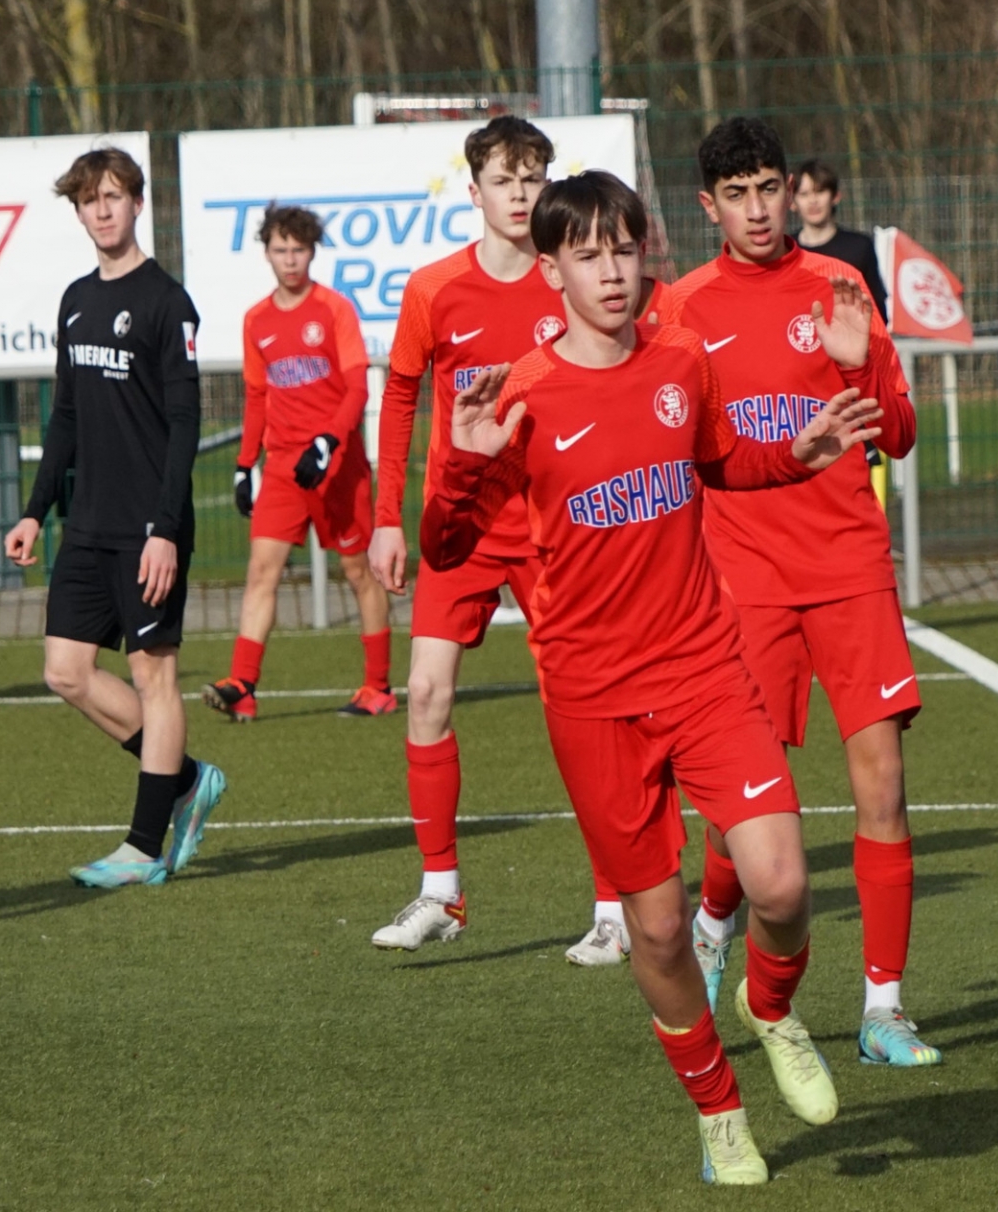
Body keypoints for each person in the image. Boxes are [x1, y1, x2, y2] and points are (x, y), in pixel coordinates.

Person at [422, 170, 877, 1183]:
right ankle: (718, 1112)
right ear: (551, 271)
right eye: (587, 254)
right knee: (661, 928)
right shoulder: (522, 399)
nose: (612, 270)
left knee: (785, 882)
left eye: (624, 248)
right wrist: (459, 462)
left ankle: (770, 1005)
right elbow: (447, 544)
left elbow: (721, 460)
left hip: (705, 668)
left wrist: (794, 453)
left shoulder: (680, 358)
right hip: (592, 699)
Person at [669, 118, 938, 1068]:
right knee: (742, 808)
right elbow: (677, 451)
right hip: (744, 581)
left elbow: (900, 433)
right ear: (709, 206)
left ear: (794, 192)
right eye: (736, 194)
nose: (757, 209)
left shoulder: (842, 288)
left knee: (883, 786)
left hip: (851, 569)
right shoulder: (684, 309)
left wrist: (861, 356)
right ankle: (711, 930)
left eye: (769, 189)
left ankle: (883, 1011)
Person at [366, 116, 667, 964]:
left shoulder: (564, 281)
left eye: (533, 179)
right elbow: (397, 400)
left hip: (551, 531)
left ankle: (614, 902)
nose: (521, 194)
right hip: (459, 529)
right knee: (424, 696)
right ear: (475, 193)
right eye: (504, 181)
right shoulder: (434, 290)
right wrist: (388, 515)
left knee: (585, 713)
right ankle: (441, 893)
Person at [2, 147, 226, 887]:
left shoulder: (167, 301)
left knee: (151, 678)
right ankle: (188, 779)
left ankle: (143, 847)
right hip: (87, 524)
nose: (102, 210)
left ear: (138, 205)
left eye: (114, 196)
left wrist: (166, 528)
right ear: (78, 212)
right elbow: (64, 415)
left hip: (147, 528)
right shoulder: (74, 300)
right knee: (64, 671)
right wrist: (35, 510)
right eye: (89, 200)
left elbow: (187, 421)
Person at [202, 204, 393, 722]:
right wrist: (245, 465)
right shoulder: (256, 320)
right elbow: (257, 396)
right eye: (281, 249)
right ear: (266, 251)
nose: (290, 259)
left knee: (358, 572)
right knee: (262, 570)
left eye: (299, 249)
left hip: (338, 465)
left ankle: (378, 686)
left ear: (312, 252)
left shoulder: (334, 310)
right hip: (285, 467)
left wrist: (330, 441)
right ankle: (243, 684)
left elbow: (356, 386)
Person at [794, 158, 888, 316]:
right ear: (792, 201)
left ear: (836, 196)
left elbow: (877, 307)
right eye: (804, 194)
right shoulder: (785, 249)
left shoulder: (859, 247)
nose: (813, 201)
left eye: (820, 191)